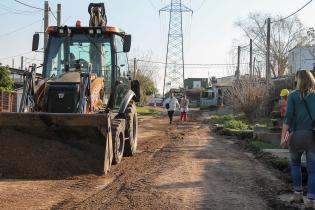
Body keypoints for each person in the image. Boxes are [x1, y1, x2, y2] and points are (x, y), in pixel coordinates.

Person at [281, 70, 315, 208]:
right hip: (312, 137)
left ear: (298, 80)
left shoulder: (292, 96)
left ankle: (297, 194)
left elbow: (287, 118)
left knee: (295, 165)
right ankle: (311, 201)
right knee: (313, 170)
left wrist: (283, 137)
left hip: (295, 137)